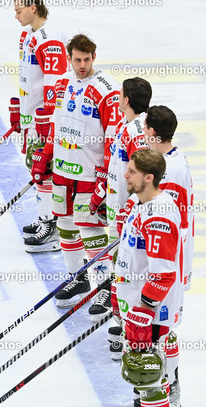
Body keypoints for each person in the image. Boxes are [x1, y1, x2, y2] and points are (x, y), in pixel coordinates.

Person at [30, 34, 122, 314]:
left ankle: (105, 288)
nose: (82, 65)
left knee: (90, 230)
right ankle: (78, 279)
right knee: (66, 227)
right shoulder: (62, 83)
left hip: (89, 175)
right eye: (77, 60)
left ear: (94, 57)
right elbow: (57, 125)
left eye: (87, 59)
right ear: (69, 58)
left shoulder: (107, 89)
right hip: (62, 170)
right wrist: (46, 153)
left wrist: (105, 175)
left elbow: (113, 136)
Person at [114, 149, 183, 407]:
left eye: (132, 171)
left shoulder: (159, 216)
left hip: (150, 311)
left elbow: (163, 275)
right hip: (135, 304)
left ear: (148, 177)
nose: (125, 175)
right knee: (143, 381)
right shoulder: (140, 203)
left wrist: (143, 311)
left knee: (147, 377)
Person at [10, 0, 67, 253]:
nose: (16, 16)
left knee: (43, 170)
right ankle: (45, 217)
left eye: (19, 10)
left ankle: (52, 227)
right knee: (35, 168)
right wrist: (20, 111)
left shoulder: (49, 38)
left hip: (45, 121)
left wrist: (49, 124)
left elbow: (55, 85)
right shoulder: (28, 35)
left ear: (33, 8)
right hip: (33, 119)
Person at [101, 77, 152, 354]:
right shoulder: (129, 125)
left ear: (127, 100)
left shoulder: (136, 131)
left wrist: (129, 209)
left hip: (127, 215)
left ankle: (129, 331)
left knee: (127, 273)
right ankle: (124, 324)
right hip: (120, 210)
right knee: (120, 271)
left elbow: (142, 175)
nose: (118, 99)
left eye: (120, 95)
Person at [143, 105, 194, 293]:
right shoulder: (166, 160)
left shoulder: (170, 170)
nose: (142, 130)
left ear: (152, 131)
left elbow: (170, 218)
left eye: (144, 126)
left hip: (165, 256)